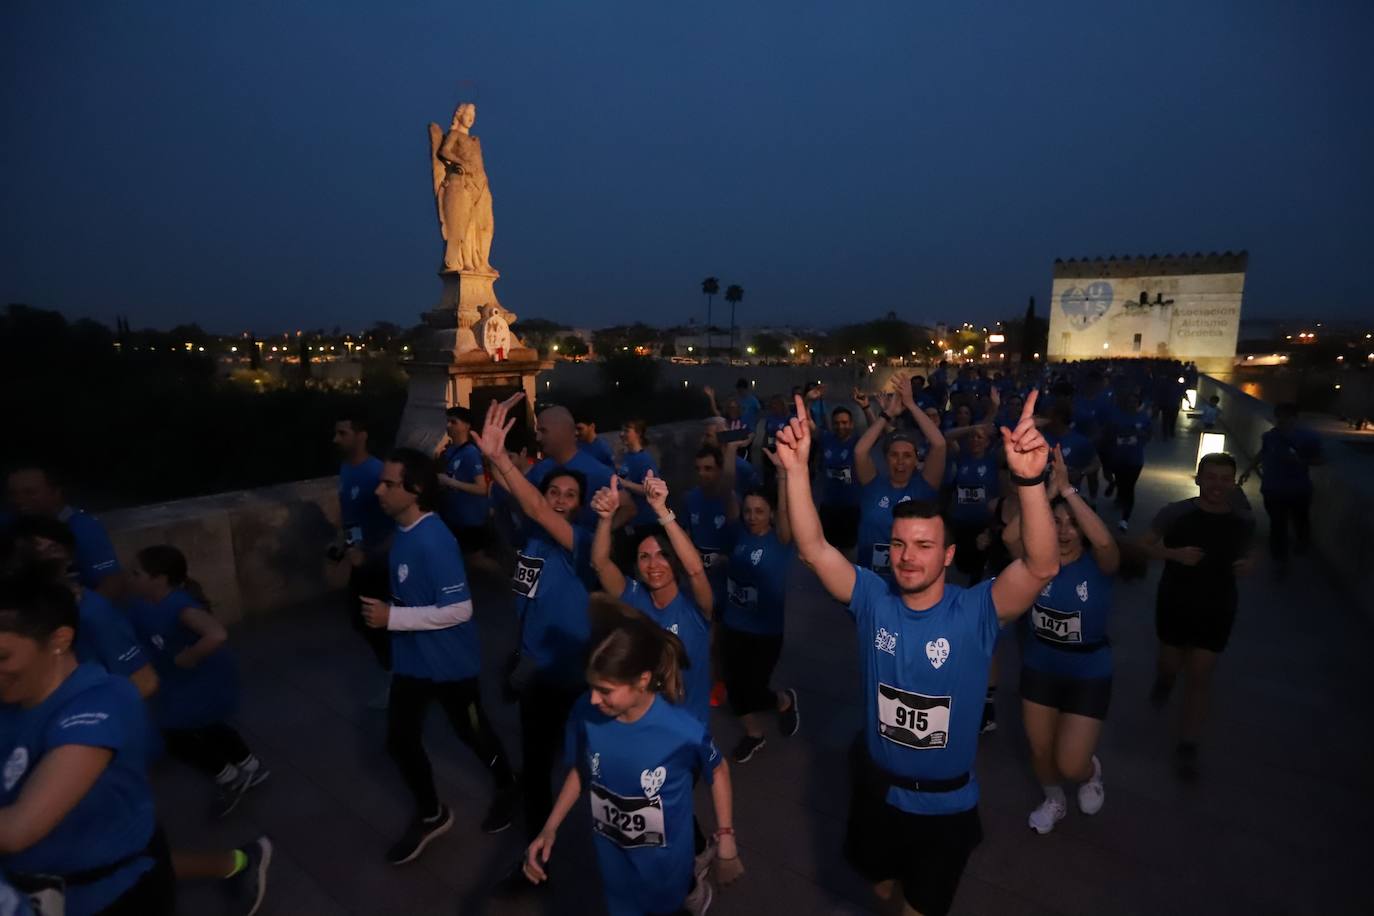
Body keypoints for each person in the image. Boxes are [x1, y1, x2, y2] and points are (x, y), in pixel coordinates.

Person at [773, 390, 1058, 916]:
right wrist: (794, 470)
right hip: (876, 791)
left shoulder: (976, 611)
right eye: (901, 544)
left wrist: (1030, 482)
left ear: (948, 555)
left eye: (924, 546)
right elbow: (814, 550)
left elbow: (1040, 567)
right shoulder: (872, 599)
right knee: (878, 885)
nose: (908, 557)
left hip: (944, 806)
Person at [522, 598, 742, 915]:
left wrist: (726, 838)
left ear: (641, 680)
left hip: (665, 875)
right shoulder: (587, 710)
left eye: (606, 690)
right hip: (613, 868)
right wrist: (550, 827)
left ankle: (694, 894)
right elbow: (582, 770)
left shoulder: (682, 731)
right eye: (592, 687)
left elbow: (718, 770)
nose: (594, 699)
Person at [361, 448, 518, 863]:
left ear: (414, 491)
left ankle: (508, 786)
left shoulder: (435, 539)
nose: (379, 490)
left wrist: (392, 617)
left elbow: (460, 610)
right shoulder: (405, 532)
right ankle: (431, 814)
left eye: (389, 484)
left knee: (472, 732)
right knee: (399, 740)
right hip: (412, 664)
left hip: (449, 665)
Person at [0, 569, 176, 915]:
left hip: (111, 896)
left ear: (59, 640)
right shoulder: (12, 703)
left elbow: (19, 828)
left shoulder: (103, 701)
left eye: (2, 656)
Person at [471, 397, 596, 869]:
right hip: (535, 668)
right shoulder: (532, 541)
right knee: (540, 763)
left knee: (597, 762)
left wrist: (501, 459)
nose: (560, 500)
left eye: (569, 496)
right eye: (554, 492)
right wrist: (494, 457)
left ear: (579, 506)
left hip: (571, 672)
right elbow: (519, 502)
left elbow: (537, 508)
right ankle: (538, 854)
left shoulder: (577, 544)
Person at [1016, 447, 1121, 834]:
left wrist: (1070, 492)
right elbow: (1011, 535)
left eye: (1070, 523)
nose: (1062, 531)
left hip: (1088, 669)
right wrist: (1045, 494)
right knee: (1041, 751)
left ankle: (1091, 772)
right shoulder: (1035, 561)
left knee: (1070, 763)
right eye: (1054, 522)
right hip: (1040, 665)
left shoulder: (1100, 566)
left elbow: (1108, 545)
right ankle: (1054, 800)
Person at [125, 546, 269, 819]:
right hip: (182, 681)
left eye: (136, 573)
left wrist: (187, 658)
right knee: (206, 724)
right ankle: (248, 766)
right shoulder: (143, 605)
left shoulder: (180, 606)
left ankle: (229, 776)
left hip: (201, 679)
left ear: (160, 578)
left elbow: (216, 634)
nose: (129, 578)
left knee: (176, 733)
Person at [1140, 452, 1256, 780]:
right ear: (1198, 479)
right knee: (1170, 663)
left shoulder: (1243, 519)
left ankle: (1187, 744)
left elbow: (1250, 550)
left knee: (1200, 675)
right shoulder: (1176, 513)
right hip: (1176, 600)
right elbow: (1142, 546)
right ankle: (1164, 679)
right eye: (1212, 477)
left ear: (1233, 483)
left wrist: (1250, 564)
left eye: (1225, 479)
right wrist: (1173, 554)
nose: (1218, 485)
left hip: (1219, 604)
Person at [5, 516, 158, 700]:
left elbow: (145, 682)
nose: (43, 558)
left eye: (52, 550)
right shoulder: (14, 615)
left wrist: (85, 719)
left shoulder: (90, 611)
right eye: (28, 552)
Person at [721, 462, 800, 763]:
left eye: (759, 511)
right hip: (733, 624)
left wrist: (781, 474)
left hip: (765, 631)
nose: (752, 517)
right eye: (749, 510)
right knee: (734, 687)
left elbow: (785, 511)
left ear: (770, 514)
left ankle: (784, 700)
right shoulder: (738, 533)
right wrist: (729, 451)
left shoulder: (779, 541)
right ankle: (754, 734)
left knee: (753, 688)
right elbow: (728, 494)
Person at [853, 374, 947, 579]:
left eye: (907, 456)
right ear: (885, 459)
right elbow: (860, 452)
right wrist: (887, 413)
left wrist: (911, 405)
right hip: (871, 580)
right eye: (894, 455)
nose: (900, 462)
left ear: (916, 460)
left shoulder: (924, 487)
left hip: (910, 580)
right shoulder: (872, 485)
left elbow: (939, 445)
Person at [331, 415, 394, 682]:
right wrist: (345, 544)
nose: (336, 440)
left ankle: (397, 673)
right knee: (361, 620)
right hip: (361, 559)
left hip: (379, 562)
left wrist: (370, 554)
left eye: (342, 433)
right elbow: (351, 517)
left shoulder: (377, 472)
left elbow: (398, 522)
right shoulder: (346, 470)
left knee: (376, 621)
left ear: (362, 435)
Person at [4, 464, 125, 599]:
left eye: (30, 492)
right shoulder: (9, 520)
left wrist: (79, 614)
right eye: (13, 494)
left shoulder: (83, 527)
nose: (19, 500)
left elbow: (111, 580)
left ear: (56, 492)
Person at [1240, 402, 1322, 572]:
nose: (1281, 420)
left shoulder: (1309, 437)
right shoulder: (1269, 436)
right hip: (1272, 487)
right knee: (1277, 523)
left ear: (1294, 418)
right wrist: (1247, 470)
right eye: (1279, 416)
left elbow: (1320, 459)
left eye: (1285, 417)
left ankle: (1301, 543)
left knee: (1300, 520)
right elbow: (1263, 453)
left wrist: (1300, 461)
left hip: (1298, 489)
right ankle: (1279, 557)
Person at [436, 406, 492, 554]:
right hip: (453, 518)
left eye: (453, 422)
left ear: (466, 426)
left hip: (470, 521)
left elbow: (482, 488)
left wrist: (450, 482)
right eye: (447, 421)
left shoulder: (471, 453)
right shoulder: (448, 451)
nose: (448, 426)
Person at [613, 418, 661, 569]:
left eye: (627, 430)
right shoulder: (625, 457)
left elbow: (651, 490)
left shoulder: (645, 460)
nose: (622, 434)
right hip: (628, 523)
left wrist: (625, 483)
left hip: (645, 523)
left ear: (638, 433)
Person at [1102, 391, 1152, 532]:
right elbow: (1109, 434)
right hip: (1118, 457)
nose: (1132, 404)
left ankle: (1124, 519)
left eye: (1135, 401)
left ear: (1138, 403)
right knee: (1122, 483)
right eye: (1129, 401)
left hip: (1135, 459)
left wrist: (1140, 433)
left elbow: (1149, 435)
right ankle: (1115, 485)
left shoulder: (1143, 417)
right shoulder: (1116, 416)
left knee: (1129, 487)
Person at [816, 405, 862, 552]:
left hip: (850, 507)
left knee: (848, 549)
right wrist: (808, 401)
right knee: (827, 548)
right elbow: (807, 425)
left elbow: (877, 430)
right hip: (829, 506)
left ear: (851, 424)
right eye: (836, 423)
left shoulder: (858, 443)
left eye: (844, 422)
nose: (840, 426)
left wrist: (866, 407)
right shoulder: (826, 439)